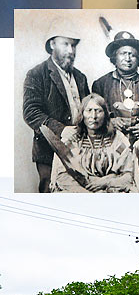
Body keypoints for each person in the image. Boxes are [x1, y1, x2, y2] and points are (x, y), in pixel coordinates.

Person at [22, 20, 90, 192]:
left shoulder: (80, 77)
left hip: (79, 148)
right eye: (65, 44)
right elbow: (31, 112)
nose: (70, 50)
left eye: (73, 45)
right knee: (49, 190)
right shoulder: (37, 74)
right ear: (52, 44)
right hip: (48, 149)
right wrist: (61, 130)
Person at [49, 94, 135, 193]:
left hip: (110, 190)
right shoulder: (71, 140)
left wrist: (106, 182)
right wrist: (85, 194)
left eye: (98, 111)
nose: (93, 116)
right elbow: (62, 176)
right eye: (89, 110)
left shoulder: (118, 139)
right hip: (78, 192)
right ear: (82, 114)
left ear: (106, 114)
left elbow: (129, 174)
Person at [92, 31, 139, 145]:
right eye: (123, 53)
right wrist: (110, 121)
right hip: (110, 142)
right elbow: (92, 115)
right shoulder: (100, 84)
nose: (127, 59)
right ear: (114, 57)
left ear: (138, 59)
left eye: (132, 55)